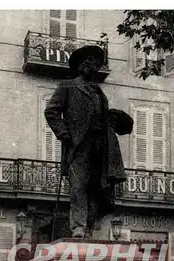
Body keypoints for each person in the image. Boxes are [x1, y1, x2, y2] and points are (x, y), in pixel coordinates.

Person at [45, 45, 133, 238]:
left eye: (93, 62)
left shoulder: (100, 93)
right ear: (79, 65)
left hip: (99, 147)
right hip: (77, 147)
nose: (89, 65)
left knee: (96, 187)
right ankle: (78, 227)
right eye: (85, 61)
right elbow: (51, 111)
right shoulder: (67, 86)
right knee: (78, 186)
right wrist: (64, 134)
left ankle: (89, 228)